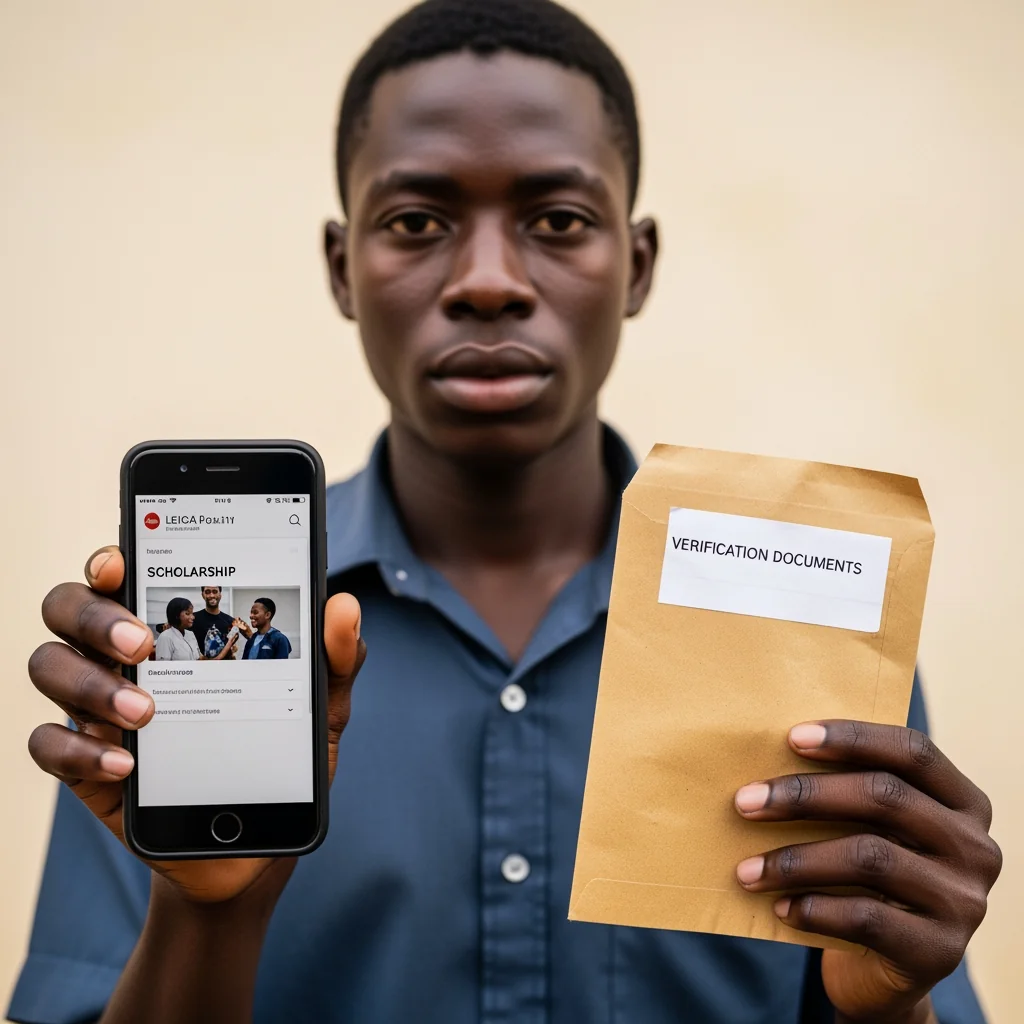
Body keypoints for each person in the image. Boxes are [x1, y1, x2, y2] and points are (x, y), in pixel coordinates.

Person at [14, 2, 1000, 1022]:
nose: (488, 282)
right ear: (343, 267)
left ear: (638, 263)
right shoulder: (182, 671)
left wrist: (889, 1008)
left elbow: (879, 981)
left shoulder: (805, 623)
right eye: (415, 224)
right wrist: (207, 913)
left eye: (559, 221)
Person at [190, 585, 237, 659]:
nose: (211, 595)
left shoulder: (230, 621)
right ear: (203, 595)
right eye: (207, 592)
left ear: (220, 595)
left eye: (215, 592)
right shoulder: (192, 619)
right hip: (200, 667)